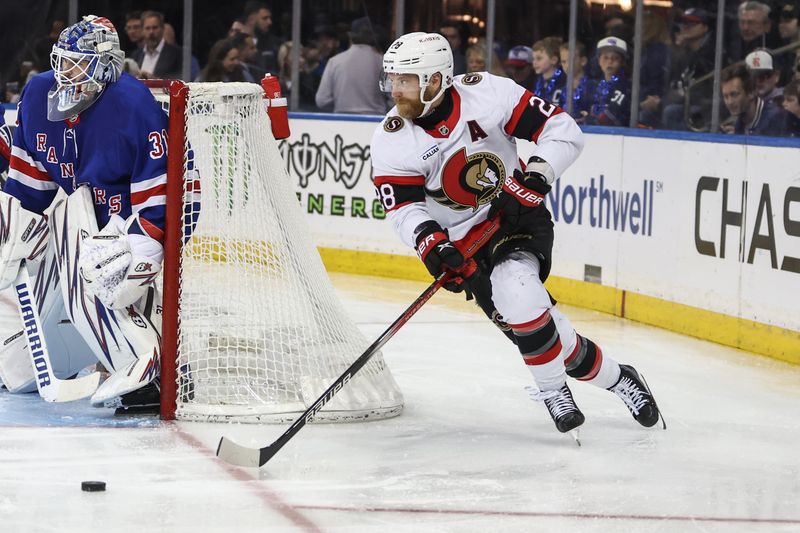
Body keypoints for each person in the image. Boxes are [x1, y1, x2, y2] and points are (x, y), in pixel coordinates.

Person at [370, 31, 663, 436]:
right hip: (467, 249)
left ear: (435, 80)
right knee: (549, 338)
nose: (394, 90)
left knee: (516, 289)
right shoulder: (390, 139)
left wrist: (533, 180)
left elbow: (563, 131)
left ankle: (552, 391)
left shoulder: (487, 94)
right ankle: (620, 378)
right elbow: (404, 209)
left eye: (404, 80)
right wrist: (431, 244)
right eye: (392, 80)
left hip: (517, 220)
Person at [0, 15, 168, 408]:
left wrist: (145, 250)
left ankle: (145, 367)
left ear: (107, 66)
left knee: (102, 269)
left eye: (78, 63)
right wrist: (14, 228)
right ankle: (26, 359)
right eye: (62, 60)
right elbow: (31, 178)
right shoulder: (40, 92)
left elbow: (158, 188)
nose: (65, 73)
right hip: (82, 211)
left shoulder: (133, 104)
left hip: (134, 217)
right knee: (20, 362)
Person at [315, 17, 388, 114]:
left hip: (342, 121)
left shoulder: (335, 61)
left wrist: (340, 105)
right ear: (373, 38)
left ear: (350, 36)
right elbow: (395, 98)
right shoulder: (383, 62)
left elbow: (322, 100)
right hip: (376, 122)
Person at [720, 63, 786, 135]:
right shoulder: (739, 122)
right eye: (726, 96)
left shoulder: (775, 118)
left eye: (734, 95)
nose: (729, 102)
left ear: (751, 93)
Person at [586, 36, 631, 126]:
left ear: (622, 62)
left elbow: (610, 116)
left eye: (615, 58)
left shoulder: (624, 86)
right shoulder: (592, 85)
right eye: (605, 58)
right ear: (599, 61)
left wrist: (587, 119)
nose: (610, 61)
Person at [131, 11, 182, 79]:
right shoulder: (136, 55)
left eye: (155, 28)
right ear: (142, 30)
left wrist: (155, 80)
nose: (151, 32)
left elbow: (181, 78)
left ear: (162, 29)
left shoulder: (176, 53)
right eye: (147, 28)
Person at [559, 41, 595, 122]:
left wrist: (587, 118)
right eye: (563, 62)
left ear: (583, 61)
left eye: (571, 61)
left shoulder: (592, 87)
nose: (567, 65)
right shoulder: (562, 89)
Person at [532, 36, 566, 106]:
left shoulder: (563, 81)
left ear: (553, 60)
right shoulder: (538, 82)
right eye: (533, 59)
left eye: (539, 58)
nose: (534, 62)